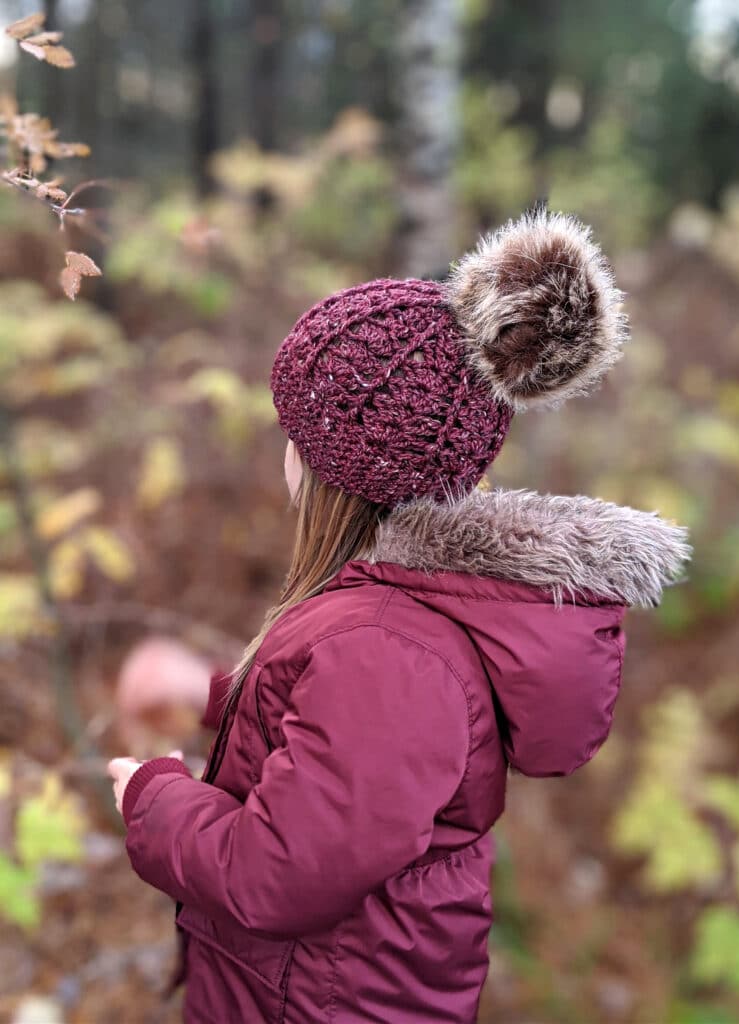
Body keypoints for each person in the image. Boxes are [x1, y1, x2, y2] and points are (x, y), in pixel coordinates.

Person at [108, 209, 691, 1024]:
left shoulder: (385, 648)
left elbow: (275, 873)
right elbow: (332, 737)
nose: (282, 448)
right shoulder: (396, 614)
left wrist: (153, 794)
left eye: (293, 431)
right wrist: (214, 694)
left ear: (340, 467)